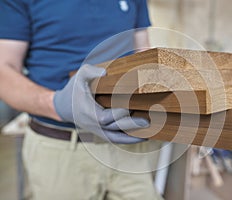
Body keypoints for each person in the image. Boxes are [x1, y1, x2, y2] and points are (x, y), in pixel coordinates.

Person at [0, 0, 163, 199]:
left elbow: (142, 50)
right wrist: (57, 104)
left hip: (128, 145)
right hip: (61, 149)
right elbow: (4, 71)